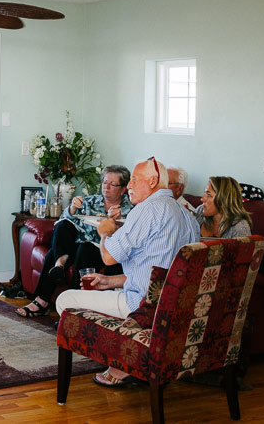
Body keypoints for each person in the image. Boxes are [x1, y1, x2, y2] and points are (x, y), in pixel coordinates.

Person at [56, 157, 200, 386]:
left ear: (153, 182)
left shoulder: (146, 210)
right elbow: (160, 272)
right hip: (170, 306)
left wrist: (105, 232)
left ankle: (126, 359)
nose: (129, 186)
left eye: (133, 180)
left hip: (140, 306)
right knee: (100, 289)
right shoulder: (187, 216)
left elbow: (108, 256)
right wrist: (110, 281)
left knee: (65, 299)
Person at [16, 165, 134, 318]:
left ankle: (67, 309)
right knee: (63, 225)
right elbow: (66, 219)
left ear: (123, 189)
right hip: (78, 244)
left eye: (113, 184)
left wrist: (114, 222)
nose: (107, 187)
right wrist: (71, 208)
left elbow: (129, 236)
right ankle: (59, 265)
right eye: (105, 182)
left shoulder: (130, 209)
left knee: (77, 250)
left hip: (102, 250)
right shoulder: (91, 201)